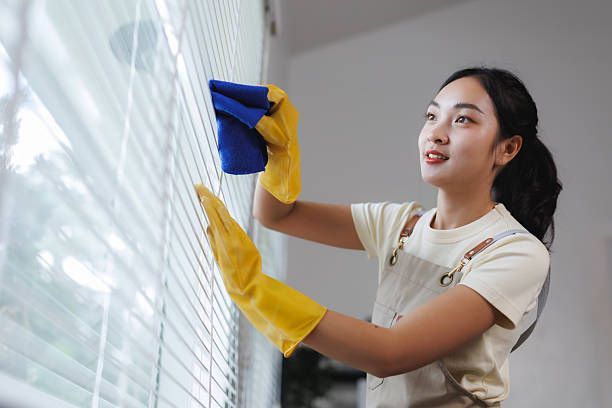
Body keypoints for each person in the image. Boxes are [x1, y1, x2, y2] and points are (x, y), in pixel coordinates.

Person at [196, 66, 562, 407]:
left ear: (508, 148)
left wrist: (254, 288)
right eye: (432, 116)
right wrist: (280, 154)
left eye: (463, 119)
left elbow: (390, 353)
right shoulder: (401, 224)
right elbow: (278, 214)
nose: (436, 132)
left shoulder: (517, 254)